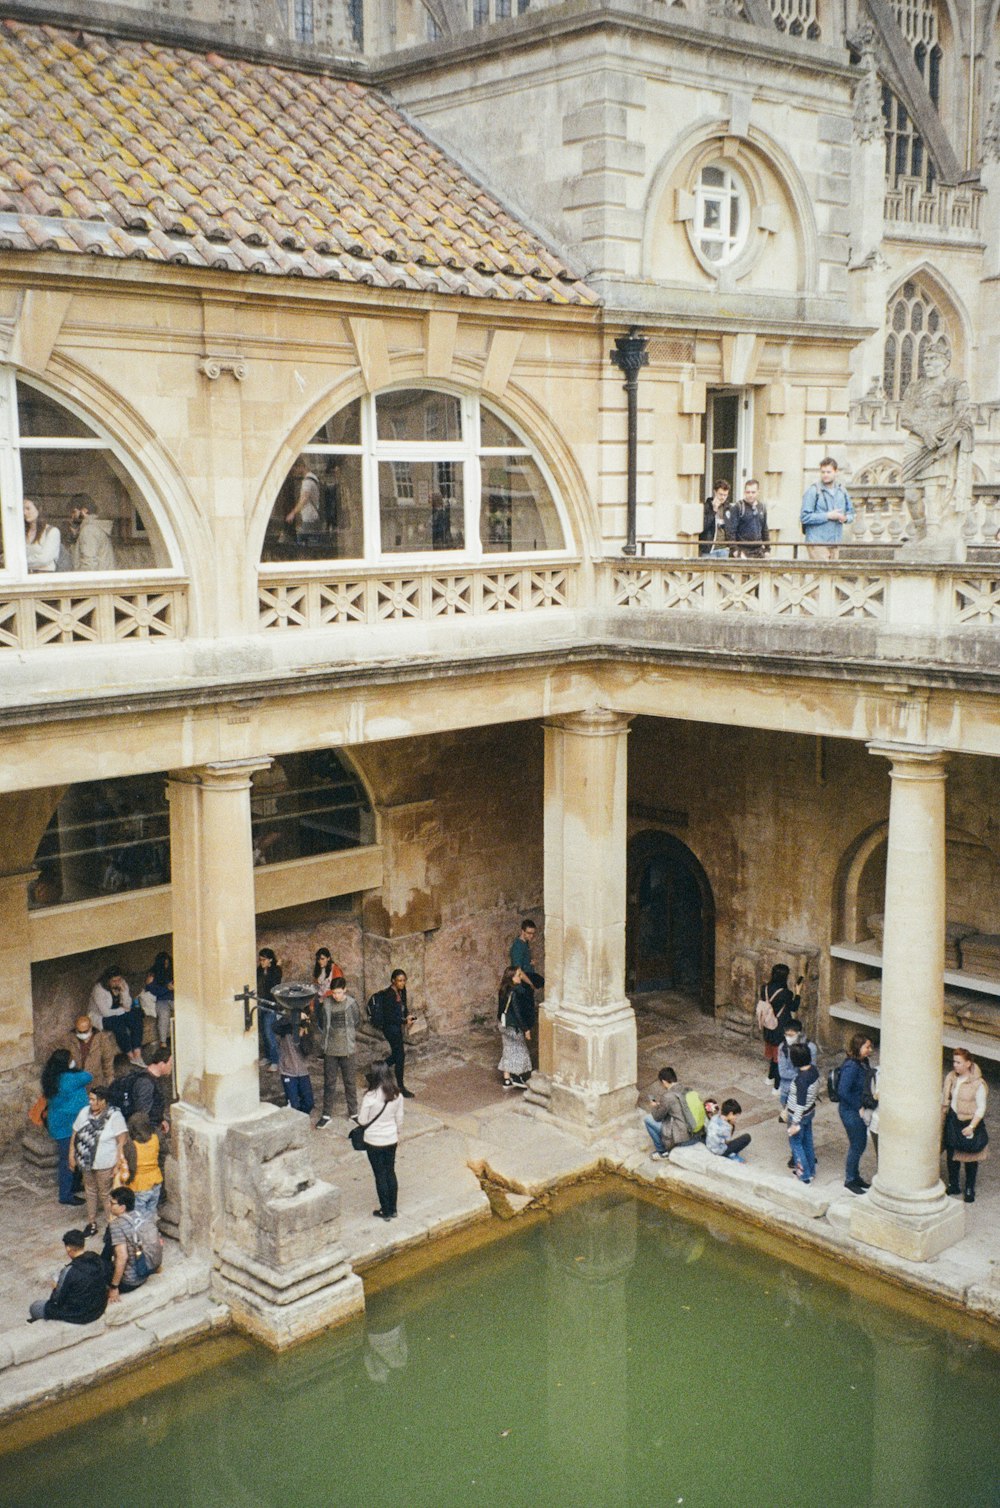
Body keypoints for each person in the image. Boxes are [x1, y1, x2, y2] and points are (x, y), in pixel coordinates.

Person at [70, 1084, 128, 1237]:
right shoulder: (84, 1113)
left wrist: (118, 1163)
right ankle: (92, 1222)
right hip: (86, 1162)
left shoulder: (115, 1116)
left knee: (106, 1194)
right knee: (90, 1191)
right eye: (90, 1099)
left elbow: (121, 1141)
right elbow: (75, 1133)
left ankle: (112, 1224)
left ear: (103, 1101)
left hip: (105, 1163)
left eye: (93, 1100)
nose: (90, 1102)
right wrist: (72, 1154)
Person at [41, 1048, 91, 1206]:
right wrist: (74, 1069)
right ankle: (66, 1194)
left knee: (69, 1156)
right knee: (67, 1160)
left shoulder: (51, 1078)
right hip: (69, 1125)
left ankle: (73, 1185)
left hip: (58, 1124)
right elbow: (88, 1076)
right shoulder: (70, 1079)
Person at [27, 1230, 109, 1325]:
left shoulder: (69, 1271)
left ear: (68, 1248)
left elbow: (56, 1300)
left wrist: (55, 1288)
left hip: (79, 1315)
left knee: (35, 1307)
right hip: (98, 1308)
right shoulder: (96, 1259)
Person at [357, 1063, 404, 1221]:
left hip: (373, 1141)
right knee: (390, 1171)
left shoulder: (370, 1097)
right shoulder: (397, 1095)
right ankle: (394, 1208)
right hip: (391, 1138)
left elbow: (363, 1121)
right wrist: (397, 1133)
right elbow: (400, 1118)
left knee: (380, 1175)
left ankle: (386, 1211)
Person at [942, 1048, 989, 1204]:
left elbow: (981, 1108)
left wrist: (972, 1126)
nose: (955, 1065)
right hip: (953, 1119)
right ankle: (953, 1184)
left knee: (970, 1157)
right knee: (952, 1155)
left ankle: (969, 1188)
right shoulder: (951, 1078)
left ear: (968, 1063)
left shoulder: (978, 1084)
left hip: (968, 1122)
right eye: (954, 1062)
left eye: (958, 1062)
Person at [102, 1185, 162, 1301]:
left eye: (112, 1203)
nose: (109, 1205)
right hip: (146, 1270)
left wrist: (114, 1287)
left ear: (123, 1207)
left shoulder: (116, 1225)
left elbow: (122, 1257)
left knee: (96, 1264)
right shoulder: (142, 1216)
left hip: (130, 1281)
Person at [316, 980, 361, 1128]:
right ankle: (326, 1114)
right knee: (329, 1083)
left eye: (339, 992)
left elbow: (357, 1021)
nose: (336, 996)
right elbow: (322, 1024)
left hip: (348, 1049)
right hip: (331, 1049)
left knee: (350, 1082)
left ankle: (354, 1113)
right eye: (334, 992)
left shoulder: (351, 1004)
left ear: (345, 990)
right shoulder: (327, 1004)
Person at [756, 964, 801, 1093]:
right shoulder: (786, 993)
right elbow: (794, 1007)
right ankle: (777, 1086)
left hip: (768, 1025)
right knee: (779, 1056)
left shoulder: (764, 988)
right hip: (780, 1027)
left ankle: (769, 1077)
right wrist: (798, 993)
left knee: (772, 1053)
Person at [839, 1034, 875, 1194]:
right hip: (850, 1111)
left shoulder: (863, 1063)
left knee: (859, 1144)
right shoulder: (852, 1067)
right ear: (858, 1047)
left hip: (856, 1108)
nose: (870, 1050)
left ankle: (855, 1176)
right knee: (857, 1144)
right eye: (867, 1047)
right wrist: (858, 1106)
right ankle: (850, 1179)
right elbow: (843, 1091)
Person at [371, 969, 415, 1098]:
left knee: (397, 1055)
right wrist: (403, 1021)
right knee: (400, 1056)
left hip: (397, 1027)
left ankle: (375, 1074)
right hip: (390, 1028)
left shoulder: (402, 991)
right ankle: (400, 1087)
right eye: (400, 980)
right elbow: (389, 1017)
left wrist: (407, 1016)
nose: (402, 983)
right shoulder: (388, 995)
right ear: (393, 981)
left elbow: (403, 1007)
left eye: (404, 980)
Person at [800, 457, 854, 561]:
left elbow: (851, 513)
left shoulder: (842, 491)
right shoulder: (813, 491)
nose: (825, 475)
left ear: (836, 472)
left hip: (835, 542)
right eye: (823, 472)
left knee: (833, 576)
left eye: (828, 472)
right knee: (821, 576)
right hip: (817, 542)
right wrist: (828, 515)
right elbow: (804, 517)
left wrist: (845, 518)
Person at [88, 964, 143, 1062]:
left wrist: (124, 992)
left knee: (136, 1018)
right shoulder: (99, 989)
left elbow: (128, 1004)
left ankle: (137, 1053)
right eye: (114, 981)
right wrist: (123, 1010)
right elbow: (105, 1012)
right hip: (101, 1017)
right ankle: (130, 1055)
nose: (117, 982)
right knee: (119, 1025)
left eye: (119, 979)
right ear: (107, 980)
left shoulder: (122, 983)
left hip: (118, 1011)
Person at [786, 1041, 820, 1183]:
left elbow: (800, 1103)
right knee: (807, 1141)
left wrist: (795, 1122)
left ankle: (804, 1175)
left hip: (798, 1114)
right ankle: (811, 1170)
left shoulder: (801, 1080)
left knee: (796, 1144)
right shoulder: (813, 1070)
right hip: (810, 1111)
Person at [644, 1066, 694, 1160]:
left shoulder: (667, 1096)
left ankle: (662, 1152)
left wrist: (655, 1107)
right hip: (693, 1132)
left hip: (682, 1138)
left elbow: (657, 1117)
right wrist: (662, 1105)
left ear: (664, 1081)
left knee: (647, 1119)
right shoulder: (687, 1089)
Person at [497, 966, 535, 1089]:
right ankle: (517, 1077)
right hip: (513, 1026)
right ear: (512, 977)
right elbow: (518, 1013)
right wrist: (526, 1029)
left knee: (508, 1050)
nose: (521, 977)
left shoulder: (503, 989)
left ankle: (506, 1079)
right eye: (518, 975)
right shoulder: (515, 992)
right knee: (521, 1051)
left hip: (503, 1024)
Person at [57, 1013, 117, 1086]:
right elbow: (54, 1050)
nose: (82, 1034)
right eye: (79, 1032)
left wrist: (110, 1083)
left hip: (95, 1081)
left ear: (90, 1028)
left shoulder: (102, 1039)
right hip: (75, 1081)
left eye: (85, 1031)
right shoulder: (69, 1038)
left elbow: (107, 1062)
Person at [125, 1112, 164, 1219]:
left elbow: (131, 1166)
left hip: (139, 1184)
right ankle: (151, 1231)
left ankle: (142, 1234)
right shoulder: (156, 1138)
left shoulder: (131, 1145)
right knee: (151, 1211)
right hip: (156, 1181)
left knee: (138, 1216)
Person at [275, 1010, 314, 1115]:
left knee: (309, 1103)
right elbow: (275, 1026)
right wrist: (294, 1016)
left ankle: (301, 1118)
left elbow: (308, 1050)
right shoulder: (285, 1030)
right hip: (288, 1071)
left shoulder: (306, 1033)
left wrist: (303, 1035)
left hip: (303, 1072)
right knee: (294, 1105)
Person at [777, 1019, 817, 1118]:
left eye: (791, 1035)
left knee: (801, 1120)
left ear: (799, 1033)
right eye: (786, 1035)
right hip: (787, 1090)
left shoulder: (810, 1047)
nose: (788, 1038)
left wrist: (802, 1078)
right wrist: (801, 1076)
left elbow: (812, 1069)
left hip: (804, 1091)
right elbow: (782, 1072)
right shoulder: (783, 1047)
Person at [68, 494, 116, 571]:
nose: (72, 516)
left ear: (84, 511)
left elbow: (89, 566)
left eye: (74, 512)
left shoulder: (88, 530)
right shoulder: (95, 527)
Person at [285, 460, 323, 547]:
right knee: (312, 545)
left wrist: (292, 513)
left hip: (308, 518)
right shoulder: (313, 478)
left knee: (300, 545)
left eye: (295, 470)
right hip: (313, 517)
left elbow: (304, 499)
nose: (294, 473)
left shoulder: (307, 481)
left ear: (301, 466)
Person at [728, 480, 769, 559]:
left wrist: (767, 549)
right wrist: (735, 550)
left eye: (753, 492)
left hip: (758, 550)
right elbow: (731, 531)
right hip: (742, 549)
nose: (750, 495)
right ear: (744, 492)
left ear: (758, 492)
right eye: (748, 492)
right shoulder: (738, 507)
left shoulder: (762, 507)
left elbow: (765, 529)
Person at [257, 947, 283, 1072]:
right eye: (260, 960)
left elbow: (275, 984)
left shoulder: (276, 971)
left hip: (271, 1006)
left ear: (270, 960)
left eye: (264, 960)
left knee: (269, 1033)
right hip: (261, 1005)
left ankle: (275, 1060)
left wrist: (273, 968)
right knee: (263, 1033)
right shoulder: (259, 970)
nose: (261, 962)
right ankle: (267, 1056)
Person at [143, 951, 174, 1049]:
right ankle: (163, 1042)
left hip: (174, 998)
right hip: (161, 1000)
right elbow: (152, 991)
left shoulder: (173, 970)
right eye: (164, 964)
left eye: (168, 963)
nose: (166, 965)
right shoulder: (153, 974)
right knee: (164, 1015)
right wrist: (167, 988)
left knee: (184, 1010)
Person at [23, 497, 62, 572]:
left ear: (38, 509)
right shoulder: (22, 533)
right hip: (25, 577)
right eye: (22, 509)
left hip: (44, 577)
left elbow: (44, 559)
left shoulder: (52, 531)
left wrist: (19, 561)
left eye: (28, 508)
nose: (24, 513)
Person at [699, 479, 732, 558]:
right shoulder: (706, 507)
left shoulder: (728, 508)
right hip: (709, 549)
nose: (723, 497)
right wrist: (713, 511)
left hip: (724, 549)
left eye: (725, 495)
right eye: (720, 494)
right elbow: (703, 526)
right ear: (715, 492)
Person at [510, 919, 544, 989]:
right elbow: (518, 970)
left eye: (533, 933)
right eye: (529, 933)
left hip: (527, 979)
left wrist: (531, 963)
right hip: (522, 983)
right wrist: (531, 983)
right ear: (522, 931)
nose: (531, 936)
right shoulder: (518, 947)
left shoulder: (525, 943)